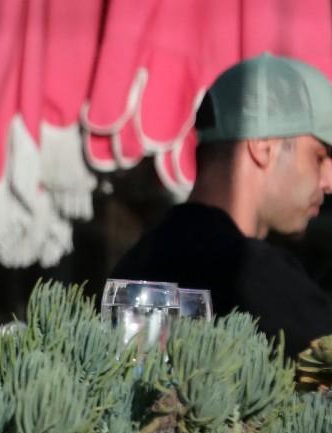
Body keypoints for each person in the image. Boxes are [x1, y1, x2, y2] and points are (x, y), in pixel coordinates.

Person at [111, 54, 332, 357]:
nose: (328, 181)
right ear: (263, 148)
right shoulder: (251, 272)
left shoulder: (135, 261)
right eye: (319, 156)